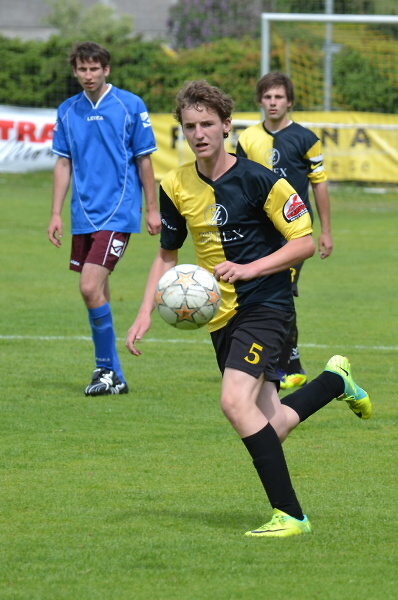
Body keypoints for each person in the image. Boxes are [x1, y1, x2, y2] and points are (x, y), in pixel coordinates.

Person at [125, 80, 372, 538]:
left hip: (267, 305)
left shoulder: (262, 180)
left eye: (207, 124)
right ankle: (335, 381)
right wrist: (145, 311)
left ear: (226, 126)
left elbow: (303, 243)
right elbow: (166, 255)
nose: (199, 133)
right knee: (271, 426)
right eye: (189, 126)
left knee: (234, 402)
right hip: (220, 315)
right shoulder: (174, 184)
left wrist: (250, 269)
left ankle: (291, 515)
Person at [47, 41, 160, 396]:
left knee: (88, 287)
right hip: (83, 215)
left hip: (118, 211)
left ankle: (106, 369)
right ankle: (115, 377)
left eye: (94, 68)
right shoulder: (67, 110)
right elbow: (63, 162)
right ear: (75, 71)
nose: (88, 74)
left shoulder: (130, 105)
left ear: (106, 70)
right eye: (82, 68)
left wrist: (152, 209)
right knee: (98, 291)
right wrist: (55, 213)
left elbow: (144, 160)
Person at [236, 72, 334, 390]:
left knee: (282, 288)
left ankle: (289, 363)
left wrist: (326, 231)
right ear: (260, 101)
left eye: (279, 97)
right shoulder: (247, 139)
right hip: (258, 231)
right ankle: (270, 361)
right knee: (261, 293)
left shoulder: (306, 139)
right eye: (267, 97)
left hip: (294, 231)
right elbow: (238, 183)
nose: (273, 102)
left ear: (289, 101)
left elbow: (319, 185)